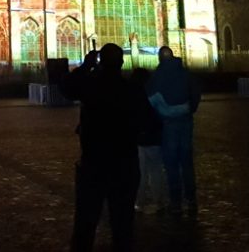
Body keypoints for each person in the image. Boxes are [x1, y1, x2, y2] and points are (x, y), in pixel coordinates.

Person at [61, 44, 143, 252]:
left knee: (86, 223)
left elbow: (66, 88)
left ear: (100, 62)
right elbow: (148, 124)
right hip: (124, 164)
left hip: (94, 163)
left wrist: (85, 66)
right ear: (122, 63)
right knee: (123, 224)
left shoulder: (91, 87)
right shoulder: (130, 89)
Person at [147, 46, 201, 215]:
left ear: (160, 58)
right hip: (185, 119)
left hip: (167, 122)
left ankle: (176, 202)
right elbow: (196, 92)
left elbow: (150, 99)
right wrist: (190, 108)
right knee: (186, 161)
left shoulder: (157, 75)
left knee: (171, 164)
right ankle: (191, 200)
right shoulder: (185, 73)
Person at [130, 67, 165, 214]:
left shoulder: (129, 94)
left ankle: (139, 201)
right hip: (152, 136)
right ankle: (159, 201)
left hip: (137, 137)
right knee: (156, 170)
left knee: (140, 171)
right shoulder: (152, 93)